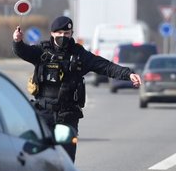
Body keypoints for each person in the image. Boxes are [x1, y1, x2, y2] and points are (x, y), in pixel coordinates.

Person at [13, 15, 142, 161]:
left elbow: (105, 66)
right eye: (60, 33)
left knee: (65, 160)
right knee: (37, 156)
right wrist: (17, 42)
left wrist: (128, 74)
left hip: (66, 116)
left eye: (67, 33)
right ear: (52, 33)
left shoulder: (79, 54)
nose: (63, 36)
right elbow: (22, 51)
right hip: (43, 113)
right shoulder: (42, 51)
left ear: (71, 34)